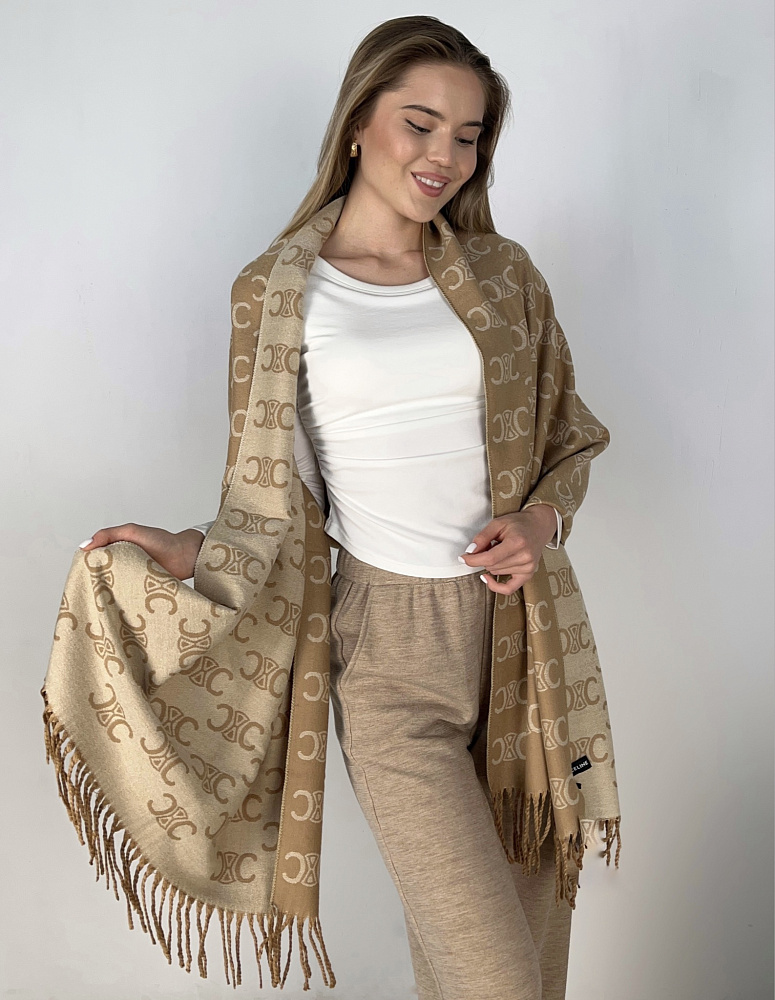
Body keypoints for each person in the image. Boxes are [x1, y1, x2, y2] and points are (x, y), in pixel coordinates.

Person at [77, 16, 608, 1000]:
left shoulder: (503, 276)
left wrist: (538, 524)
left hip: (520, 644)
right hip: (386, 657)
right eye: (420, 123)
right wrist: (191, 548)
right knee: (497, 979)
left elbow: (567, 433)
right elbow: (269, 496)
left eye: (468, 136)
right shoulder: (276, 294)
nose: (444, 155)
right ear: (359, 121)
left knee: (520, 967)